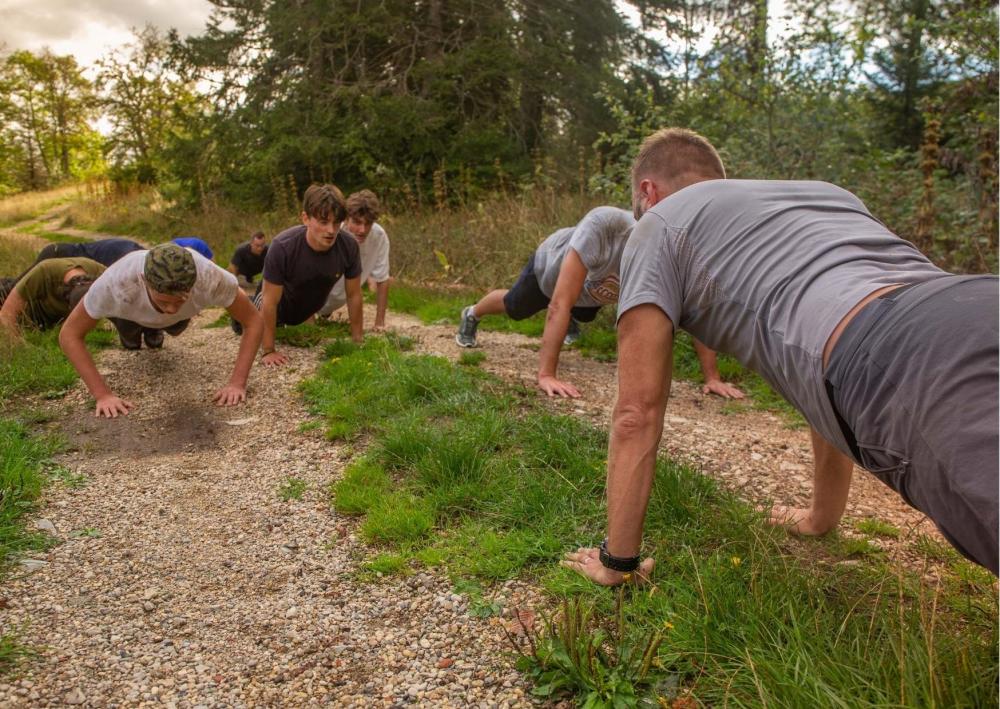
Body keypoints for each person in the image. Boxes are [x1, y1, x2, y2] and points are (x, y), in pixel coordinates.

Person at [563, 128, 998, 585]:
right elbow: (820, 345)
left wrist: (617, 564)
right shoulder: (823, 196)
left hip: (909, 356)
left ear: (648, 192)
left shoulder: (658, 223)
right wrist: (820, 518)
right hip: (971, 294)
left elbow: (636, 412)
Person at [456, 206, 744, 399]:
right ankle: (472, 313)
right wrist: (546, 375)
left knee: (581, 312)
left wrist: (713, 377)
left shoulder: (669, 259)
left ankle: (569, 323)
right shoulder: (606, 225)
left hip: (589, 295)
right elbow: (558, 303)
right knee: (515, 307)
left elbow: (692, 315)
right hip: (550, 272)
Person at [59, 243, 264, 417]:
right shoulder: (117, 282)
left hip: (178, 321)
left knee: (174, 324)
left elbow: (253, 321)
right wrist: (102, 395)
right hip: (129, 313)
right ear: (144, 280)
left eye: (180, 299)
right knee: (128, 335)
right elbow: (69, 335)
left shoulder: (210, 276)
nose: (171, 308)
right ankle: (138, 330)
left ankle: (157, 328)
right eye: (165, 301)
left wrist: (237, 383)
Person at [244, 183, 363, 366]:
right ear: (306, 218)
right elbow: (269, 301)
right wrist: (269, 350)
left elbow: (354, 295)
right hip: (271, 305)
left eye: (336, 223)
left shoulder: (349, 246)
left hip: (304, 310)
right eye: (323, 222)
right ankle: (241, 311)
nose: (331, 230)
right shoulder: (283, 246)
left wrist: (357, 340)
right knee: (247, 324)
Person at [317, 190, 391, 332]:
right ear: (347, 218)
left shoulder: (379, 236)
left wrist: (379, 323)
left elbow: (382, 279)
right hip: (312, 300)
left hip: (338, 299)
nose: (362, 230)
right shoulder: (332, 234)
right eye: (357, 222)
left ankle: (325, 313)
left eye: (368, 223)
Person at [0, 258, 105, 338]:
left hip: (44, 319)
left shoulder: (103, 275)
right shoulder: (44, 272)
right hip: (15, 304)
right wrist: (17, 345)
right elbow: (6, 314)